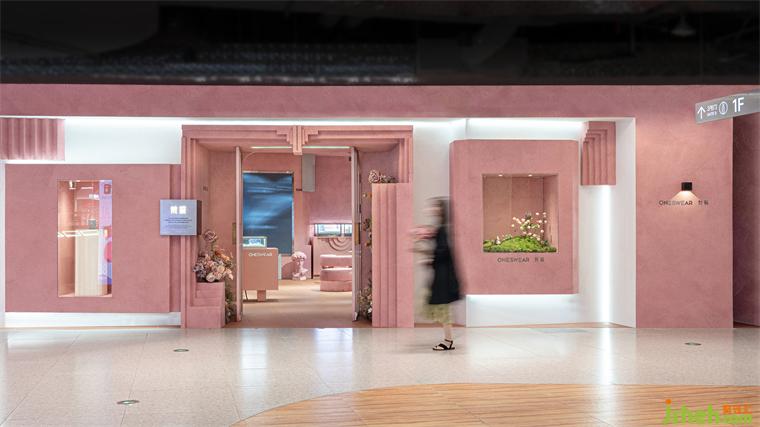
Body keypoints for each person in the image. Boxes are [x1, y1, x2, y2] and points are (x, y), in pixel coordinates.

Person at [419, 197, 461, 351]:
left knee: (443, 309)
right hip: (442, 275)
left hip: (443, 277)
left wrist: (429, 257)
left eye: (435, 207)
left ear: (441, 210)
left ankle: (448, 341)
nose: (431, 209)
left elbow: (442, 252)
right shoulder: (441, 228)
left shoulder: (442, 230)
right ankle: (448, 339)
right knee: (443, 308)